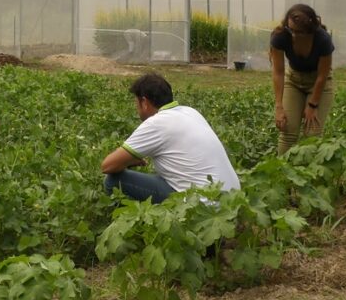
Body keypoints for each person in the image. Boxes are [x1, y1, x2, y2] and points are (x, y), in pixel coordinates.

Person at [101, 73, 241, 203]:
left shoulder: (156, 123)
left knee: (113, 181)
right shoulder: (190, 111)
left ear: (144, 102)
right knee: (161, 177)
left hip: (199, 205)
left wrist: (128, 162)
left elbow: (107, 166)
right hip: (230, 201)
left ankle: (135, 222)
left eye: (136, 104)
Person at [269, 3, 335, 155]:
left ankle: (309, 175)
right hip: (293, 81)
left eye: (298, 31)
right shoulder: (280, 36)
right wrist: (279, 106)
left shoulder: (322, 40)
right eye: (290, 29)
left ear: (309, 30)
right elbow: (278, 72)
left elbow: (322, 76)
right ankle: (282, 174)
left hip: (318, 84)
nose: (293, 34)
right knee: (288, 132)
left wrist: (312, 106)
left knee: (311, 134)